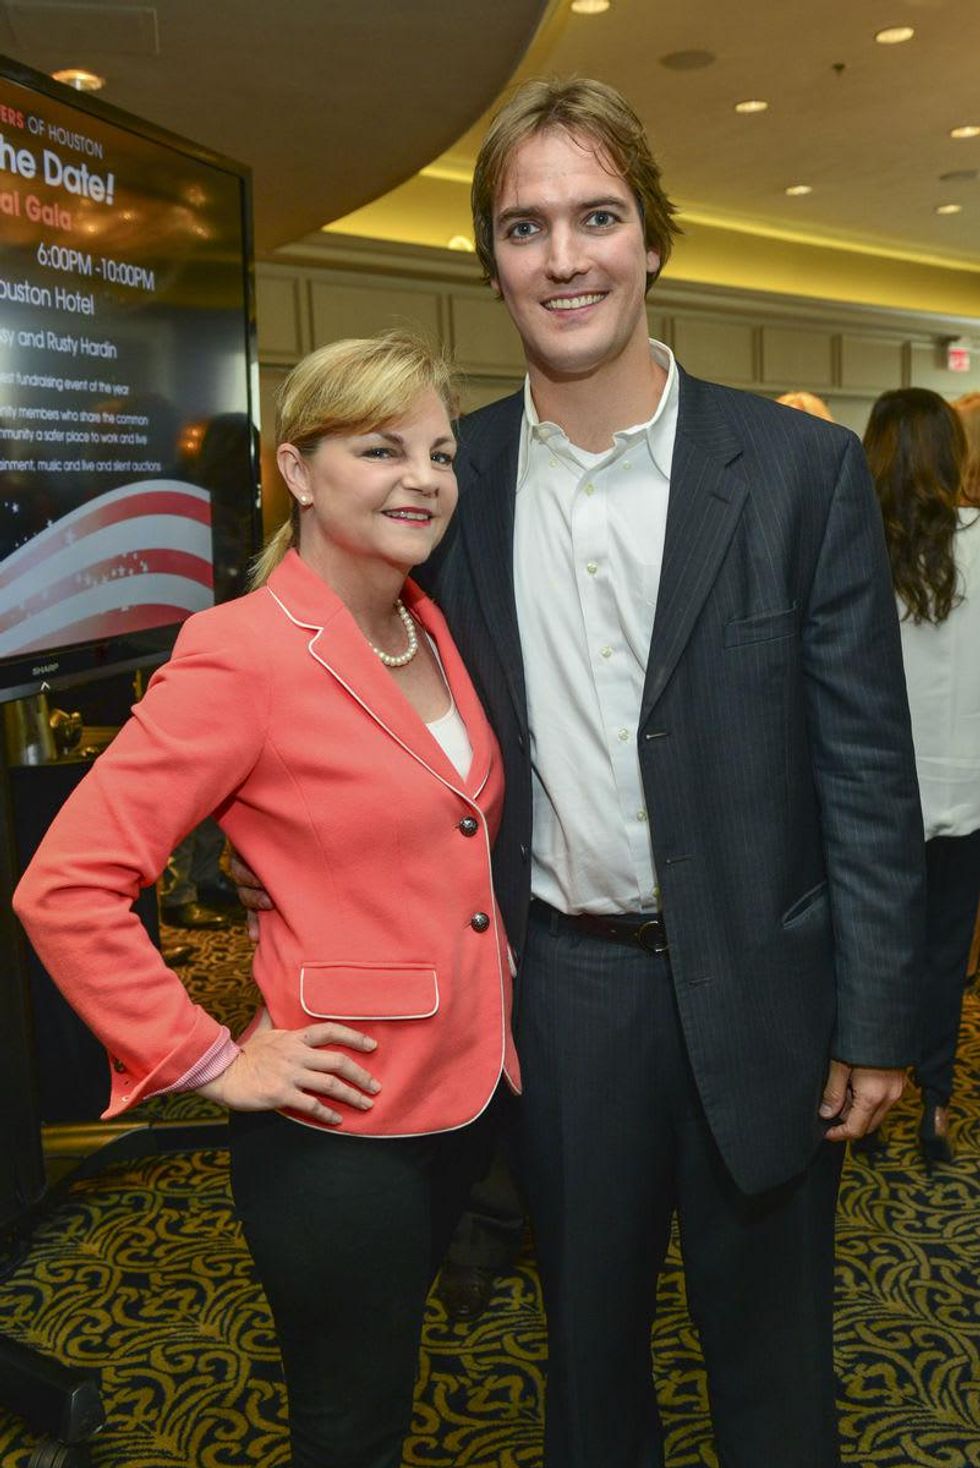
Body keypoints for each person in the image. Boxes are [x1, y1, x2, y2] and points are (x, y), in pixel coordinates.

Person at [235, 79, 924, 1468]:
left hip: (770, 988)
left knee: (778, 1365)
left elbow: (865, 765)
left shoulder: (795, 470)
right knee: (589, 1365)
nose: (565, 258)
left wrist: (880, 1016)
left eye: (597, 217)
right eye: (525, 226)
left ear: (652, 241)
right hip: (562, 995)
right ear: (491, 262)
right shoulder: (453, 484)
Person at [13, 332, 520, 1468]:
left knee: (392, 1390)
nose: (423, 479)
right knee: (351, 1423)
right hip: (337, 1128)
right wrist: (207, 1060)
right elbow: (66, 883)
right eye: (381, 448)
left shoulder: (429, 622)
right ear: (296, 469)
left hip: (460, 1094)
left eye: (439, 453)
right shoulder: (238, 651)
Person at [863, 387, 980, 1165]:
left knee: (875, 954)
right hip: (966, 793)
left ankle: (867, 1100)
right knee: (945, 955)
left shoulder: (855, 544)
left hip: (872, 799)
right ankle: (935, 1106)